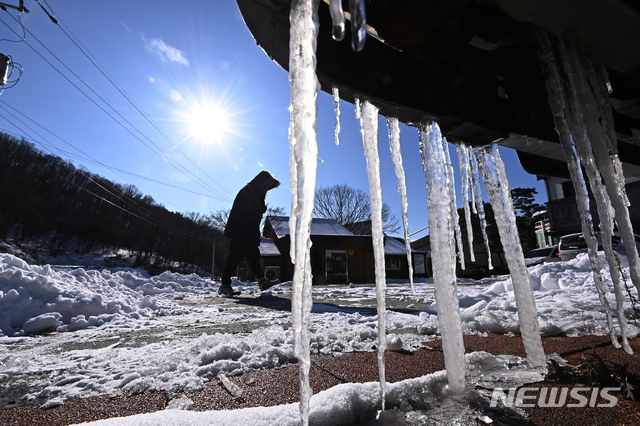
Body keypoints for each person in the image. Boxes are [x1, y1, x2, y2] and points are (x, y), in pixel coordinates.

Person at [219, 171, 280, 296]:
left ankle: (262, 282)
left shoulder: (256, 192)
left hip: (248, 230)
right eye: (267, 186)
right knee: (234, 257)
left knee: (254, 257)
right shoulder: (250, 191)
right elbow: (248, 212)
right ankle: (224, 285)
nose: (268, 190)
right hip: (241, 230)